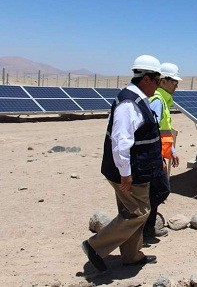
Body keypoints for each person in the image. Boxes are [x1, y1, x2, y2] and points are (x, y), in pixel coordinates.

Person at [82, 55, 163, 272]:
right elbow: (120, 142)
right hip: (130, 172)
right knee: (139, 212)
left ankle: (132, 256)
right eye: (157, 80)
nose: (158, 86)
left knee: (130, 211)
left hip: (137, 170)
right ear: (146, 79)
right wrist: (125, 174)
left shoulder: (137, 98)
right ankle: (95, 246)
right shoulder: (130, 104)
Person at [143, 62, 181, 241]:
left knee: (155, 192)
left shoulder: (163, 100)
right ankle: (144, 228)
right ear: (163, 81)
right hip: (153, 156)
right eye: (173, 81)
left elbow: (165, 129)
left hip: (159, 154)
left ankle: (148, 229)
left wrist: (171, 150)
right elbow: (152, 130)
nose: (176, 85)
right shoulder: (157, 100)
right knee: (160, 191)